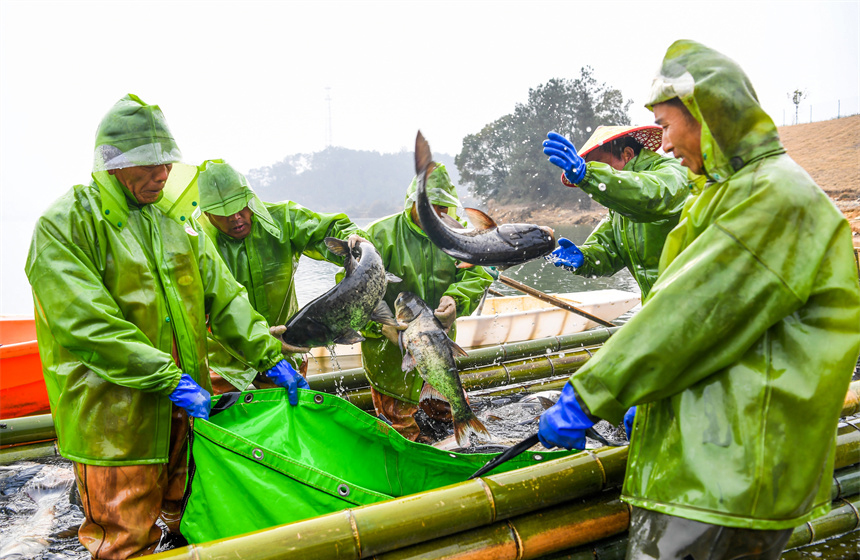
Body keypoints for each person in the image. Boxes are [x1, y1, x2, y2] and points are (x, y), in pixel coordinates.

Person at [537, 41, 860, 559]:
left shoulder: (771, 196)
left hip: (730, 467)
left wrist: (592, 393)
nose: (664, 144)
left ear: (708, 116)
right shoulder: (726, 191)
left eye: (666, 126)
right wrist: (653, 397)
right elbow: (649, 276)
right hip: (709, 445)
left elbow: (689, 312)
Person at [25, 95, 304, 559]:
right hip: (114, 425)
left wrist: (268, 356)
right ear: (112, 164)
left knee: (192, 518)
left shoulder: (177, 226)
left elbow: (225, 295)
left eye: (167, 164)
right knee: (124, 540)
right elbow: (87, 324)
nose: (162, 175)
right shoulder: (65, 224)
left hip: (186, 415)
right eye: (148, 164)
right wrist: (169, 379)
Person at [195, 160, 366, 392]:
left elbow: (325, 231)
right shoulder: (195, 240)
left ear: (250, 198)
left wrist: (352, 237)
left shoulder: (283, 218)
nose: (235, 218)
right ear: (206, 213)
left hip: (287, 343)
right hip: (225, 361)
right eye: (223, 214)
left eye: (240, 207)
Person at [359, 164, 493, 442]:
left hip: (439, 354)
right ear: (413, 203)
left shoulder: (456, 236)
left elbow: (478, 274)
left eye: (443, 209)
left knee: (455, 412)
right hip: (389, 361)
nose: (437, 216)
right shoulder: (377, 236)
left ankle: (462, 434)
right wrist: (382, 326)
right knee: (400, 432)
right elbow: (353, 298)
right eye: (430, 207)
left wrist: (456, 299)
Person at [542, 124, 691, 298]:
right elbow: (608, 250)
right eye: (591, 167)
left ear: (627, 154)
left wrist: (588, 175)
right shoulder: (620, 208)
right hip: (658, 306)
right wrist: (584, 257)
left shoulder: (674, 171)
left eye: (599, 166)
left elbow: (653, 195)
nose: (597, 171)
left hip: (698, 299)